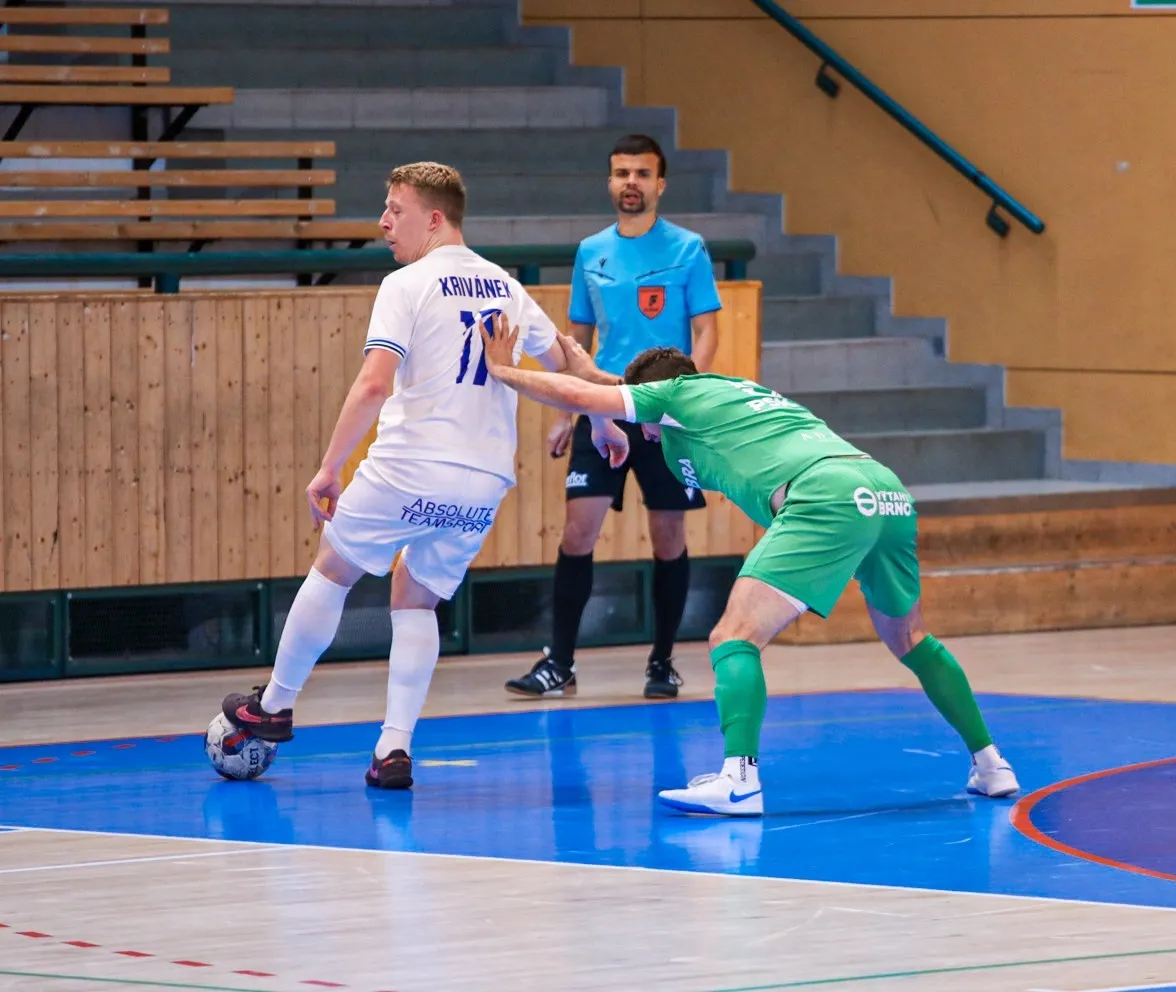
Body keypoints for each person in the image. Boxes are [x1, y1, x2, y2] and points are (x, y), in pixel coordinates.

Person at [475, 314, 1020, 817]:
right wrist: (593, 376)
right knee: (911, 639)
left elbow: (583, 395)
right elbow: (609, 391)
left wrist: (503, 371)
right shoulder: (726, 391)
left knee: (733, 637)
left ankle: (739, 780)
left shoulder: (674, 398)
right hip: (882, 489)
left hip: (822, 496)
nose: (645, 434)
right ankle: (992, 764)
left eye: (645, 420)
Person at [218, 162, 590, 790]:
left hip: (411, 463)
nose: (383, 222)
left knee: (333, 570)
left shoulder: (406, 283)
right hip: (484, 480)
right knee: (416, 598)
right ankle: (394, 750)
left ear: (434, 218)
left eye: (396, 210)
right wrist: (602, 423)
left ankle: (274, 706)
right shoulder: (507, 286)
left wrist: (330, 466)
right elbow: (568, 361)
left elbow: (373, 383)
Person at [504, 133, 720, 702]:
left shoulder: (688, 249)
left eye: (642, 173)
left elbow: (707, 330)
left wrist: (686, 398)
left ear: (660, 184)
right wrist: (565, 409)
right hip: (603, 409)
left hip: (664, 415)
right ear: (609, 182)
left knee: (668, 536)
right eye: (622, 173)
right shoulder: (591, 251)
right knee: (579, 530)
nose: (631, 182)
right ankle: (560, 663)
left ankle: (662, 662)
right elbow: (576, 340)